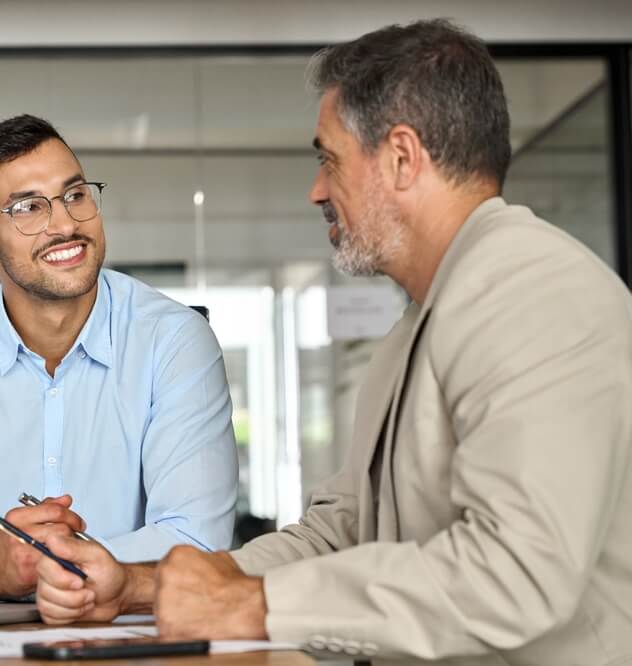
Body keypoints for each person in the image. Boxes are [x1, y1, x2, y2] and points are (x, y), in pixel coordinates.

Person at [34, 20, 632, 665]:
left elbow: (517, 572)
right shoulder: (425, 320)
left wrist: (253, 607)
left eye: (329, 159)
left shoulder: (532, 295)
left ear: (401, 157)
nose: (316, 189)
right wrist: (142, 586)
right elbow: (348, 529)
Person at [0, 115, 238, 603]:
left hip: (136, 640)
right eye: (27, 208)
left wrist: (54, 565)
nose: (65, 224)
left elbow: (198, 541)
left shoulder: (174, 339)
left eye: (75, 195)